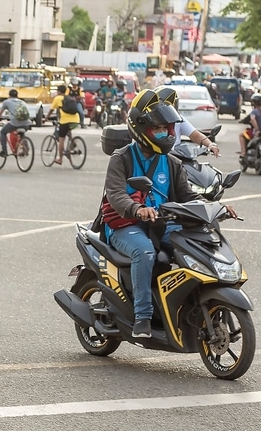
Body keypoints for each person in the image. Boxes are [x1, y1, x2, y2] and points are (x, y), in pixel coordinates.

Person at [102, 90, 237, 338]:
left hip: (162, 224)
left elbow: (188, 197)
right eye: (160, 129)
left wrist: (215, 207)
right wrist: (137, 209)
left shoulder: (172, 162)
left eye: (169, 129)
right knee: (145, 252)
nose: (168, 134)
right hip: (125, 225)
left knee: (197, 243)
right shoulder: (121, 158)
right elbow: (116, 195)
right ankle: (142, 317)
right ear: (141, 129)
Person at [154, 86, 221, 156]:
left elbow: (195, 135)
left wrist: (210, 144)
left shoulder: (178, 119)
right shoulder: (150, 121)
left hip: (174, 157)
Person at [0, 88, 31, 156]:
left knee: (3, 132)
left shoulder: (6, 102)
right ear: (17, 96)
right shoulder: (22, 102)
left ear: (9, 96)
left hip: (15, 123)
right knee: (21, 132)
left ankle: (4, 151)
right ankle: (26, 148)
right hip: (27, 123)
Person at [49, 84, 80, 165]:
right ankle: (72, 146)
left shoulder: (58, 98)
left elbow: (51, 110)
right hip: (76, 120)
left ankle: (60, 159)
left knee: (61, 140)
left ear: (58, 91)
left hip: (65, 121)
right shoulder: (69, 97)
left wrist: (46, 118)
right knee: (69, 132)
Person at [239, 92, 261, 159]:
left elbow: (252, 119)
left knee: (241, 135)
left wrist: (257, 129)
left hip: (257, 132)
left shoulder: (254, 111)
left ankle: (243, 152)